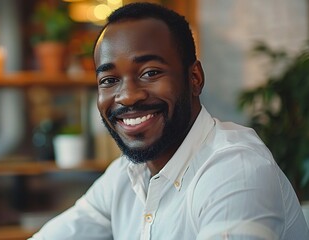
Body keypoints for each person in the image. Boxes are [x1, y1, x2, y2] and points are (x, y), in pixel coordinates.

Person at [30, 2, 309, 239]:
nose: (127, 96)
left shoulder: (235, 169)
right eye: (109, 80)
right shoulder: (126, 175)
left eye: (150, 73)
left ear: (194, 78)